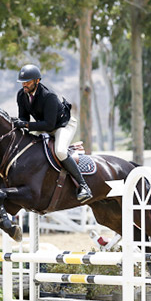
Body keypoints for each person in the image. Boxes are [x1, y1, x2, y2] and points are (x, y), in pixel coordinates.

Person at [14, 64, 93, 202]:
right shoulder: (22, 95)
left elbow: (49, 125)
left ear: (37, 81)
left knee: (60, 151)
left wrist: (26, 125)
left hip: (62, 125)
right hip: (44, 124)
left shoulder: (48, 96)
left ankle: (84, 186)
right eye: (23, 82)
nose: (24, 85)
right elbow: (24, 118)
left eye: (28, 82)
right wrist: (18, 124)